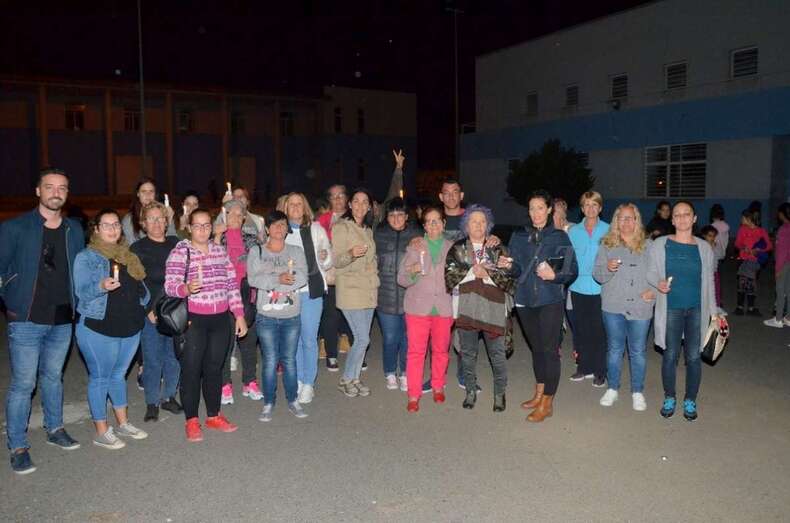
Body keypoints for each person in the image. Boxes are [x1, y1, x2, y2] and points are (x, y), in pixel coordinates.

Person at [0, 167, 83, 474]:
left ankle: (55, 429)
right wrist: (12, 301)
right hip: (26, 319)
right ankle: (18, 445)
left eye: (62, 188)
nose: (55, 192)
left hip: (62, 319)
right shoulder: (15, 228)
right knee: (24, 384)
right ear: (38, 191)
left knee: (52, 378)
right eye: (49, 187)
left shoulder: (74, 229)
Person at [164, 208, 248, 442]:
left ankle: (214, 415)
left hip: (220, 319)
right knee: (191, 370)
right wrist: (186, 288)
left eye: (206, 225)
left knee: (214, 369)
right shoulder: (181, 252)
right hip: (194, 320)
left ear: (212, 228)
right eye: (197, 225)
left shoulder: (220, 251)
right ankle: (191, 420)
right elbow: (170, 285)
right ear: (189, 228)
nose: (202, 230)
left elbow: (232, 284)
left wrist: (239, 314)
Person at [74, 209, 150, 448]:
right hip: (98, 327)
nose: (113, 229)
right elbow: (81, 292)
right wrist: (100, 285)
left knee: (118, 376)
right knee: (100, 377)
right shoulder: (86, 257)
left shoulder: (128, 256)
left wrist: (143, 303)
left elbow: (142, 289)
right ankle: (101, 430)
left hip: (129, 325)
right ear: (96, 229)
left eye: (116, 224)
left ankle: (123, 423)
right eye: (106, 225)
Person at [509, 191, 577, 422]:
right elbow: (516, 269)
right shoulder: (519, 235)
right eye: (531, 208)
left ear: (549, 210)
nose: (536, 213)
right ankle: (538, 393)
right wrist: (507, 266)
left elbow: (571, 270)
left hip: (550, 300)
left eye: (540, 208)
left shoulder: (559, 237)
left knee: (549, 351)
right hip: (525, 299)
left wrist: (554, 276)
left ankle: (547, 402)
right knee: (536, 348)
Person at [647, 201, 718, 421]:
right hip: (671, 308)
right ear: (672, 219)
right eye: (677, 215)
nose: (682, 218)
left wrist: (714, 312)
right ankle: (670, 397)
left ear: (694, 218)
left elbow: (709, 281)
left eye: (687, 214)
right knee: (670, 354)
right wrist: (659, 283)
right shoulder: (660, 244)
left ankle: (690, 399)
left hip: (697, 309)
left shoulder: (704, 247)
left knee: (694, 357)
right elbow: (650, 273)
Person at [445, 204, 519, 412]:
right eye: (473, 221)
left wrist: (488, 275)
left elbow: (511, 280)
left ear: (488, 225)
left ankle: (499, 394)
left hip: (493, 310)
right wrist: (471, 272)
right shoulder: (457, 248)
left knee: (497, 355)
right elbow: (449, 277)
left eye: (482, 221)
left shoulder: (498, 249)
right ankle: (469, 391)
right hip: (467, 309)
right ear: (466, 225)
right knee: (468, 354)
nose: (478, 225)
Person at [246, 210, 309, 421]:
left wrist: (280, 279)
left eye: (282, 224)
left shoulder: (296, 251)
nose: (279, 229)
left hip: (291, 314)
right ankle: (268, 402)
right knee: (270, 360)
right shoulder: (257, 251)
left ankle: (292, 399)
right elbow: (253, 279)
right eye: (274, 225)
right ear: (267, 229)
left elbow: (301, 276)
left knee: (289, 359)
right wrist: (278, 279)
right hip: (266, 315)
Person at [593, 203, 655, 411]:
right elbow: (598, 275)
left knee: (637, 351)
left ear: (637, 221)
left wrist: (653, 292)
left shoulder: (648, 245)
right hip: (613, 305)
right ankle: (612, 388)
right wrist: (608, 269)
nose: (626, 222)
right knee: (614, 349)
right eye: (622, 218)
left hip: (640, 307)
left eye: (630, 218)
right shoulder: (606, 244)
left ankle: (637, 391)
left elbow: (658, 275)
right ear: (616, 221)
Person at [397, 205, 454, 411]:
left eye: (437, 220)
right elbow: (401, 279)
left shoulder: (453, 248)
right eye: (429, 221)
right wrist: (412, 271)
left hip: (444, 308)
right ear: (424, 226)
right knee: (415, 352)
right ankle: (413, 393)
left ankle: (438, 385)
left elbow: (459, 278)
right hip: (418, 308)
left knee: (441, 351)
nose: (433, 224)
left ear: (443, 223)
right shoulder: (415, 247)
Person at [130, 202, 183, 421]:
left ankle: (169, 397)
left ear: (167, 220)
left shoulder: (177, 244)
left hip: (176, 310)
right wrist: (146, 309)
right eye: (151, 219)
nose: (157, 223)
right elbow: (134, 284)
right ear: (143, 223)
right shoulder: (137, 249)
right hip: (150, 313)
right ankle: (152, 402)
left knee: (174, 357)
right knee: (152, 360)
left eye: (161, 218)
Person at [279, 192, 333, 404]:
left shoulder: (316, 229)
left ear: (305, 207)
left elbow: (328, 260)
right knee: (295, 339)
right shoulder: (280, 232)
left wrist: (324, 256)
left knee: (309, 338)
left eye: (299, 204)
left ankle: (309, 383)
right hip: (289, 293)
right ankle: (300, 379)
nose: (295, 207)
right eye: (291, 204)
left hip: (312, 291)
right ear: (285, 208)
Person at [213, 199, 263, 405]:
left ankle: (249, 381)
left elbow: (259, 265)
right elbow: (212, 262)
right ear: (223, 216)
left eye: (238, 214)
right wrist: (216, 235)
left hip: (246, 293)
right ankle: (224, 384)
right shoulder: (215, 238)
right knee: (225, 343)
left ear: (244, 218)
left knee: (249, 340)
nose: (234, 217)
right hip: (223, 295)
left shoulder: (252, 239)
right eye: (230, 213)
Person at [332, 188, 379, 397]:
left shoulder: (368, 229)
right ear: (350, 204)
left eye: (365, 202)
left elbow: (372, 259)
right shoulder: (342, 227)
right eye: (356, 201)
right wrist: (350, 254)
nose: (360, 205)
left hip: (368, 290)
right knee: (362, 339)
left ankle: (355, 378)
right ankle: (346, 379)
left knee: (363, 337)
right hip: (351, 290)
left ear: (369, 206)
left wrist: (373, 269)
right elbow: (337, 261)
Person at [375, 197, 420, 392]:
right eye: (392, 215)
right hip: (385, 295)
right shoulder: (379, 234)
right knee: (391, 337)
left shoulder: (417, 235)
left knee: (408, 338)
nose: (396, 219)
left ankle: (405, 373)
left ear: (406, 216)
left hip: (411, 296)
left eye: (400, 214)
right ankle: (390, 372)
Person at [567, 191, 609, 386]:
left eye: (595, 205)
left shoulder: (609, 230)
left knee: (599, 331)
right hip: (578, 287)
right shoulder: (574, 231)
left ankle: (600, 370)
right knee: (581, 330)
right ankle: (584, 367)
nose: (590, 209)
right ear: (582, 208)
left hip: (602, 288)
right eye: (586, 205)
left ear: (600, 208)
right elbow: (569, 260)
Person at [317, 184, 354, 371]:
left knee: (352, 315)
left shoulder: (356, 216)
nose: (338, 199)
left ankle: (356, 354)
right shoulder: (323, 220)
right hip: (331, 275)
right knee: (330, 315)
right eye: (333, 196)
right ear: (329, 200)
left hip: (352, 275)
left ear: (347, 198)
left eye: (341, 195)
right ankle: (331, 354)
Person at [734, 209, 772, 316]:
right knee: (743, 282)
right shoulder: (742, 229)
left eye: (743, 218)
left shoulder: (761, 231)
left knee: (749, 283)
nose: (741, 220)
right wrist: (743, 247)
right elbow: (737, 243)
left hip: (754, 261)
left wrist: (759, 250)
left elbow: (769, 246)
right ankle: (742, 307)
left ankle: (748, 308)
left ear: (748, 219)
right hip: (743, 260)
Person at [122, 177, 176, 244]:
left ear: (155, 194)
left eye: (151, 191)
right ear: (138, 194)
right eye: (143, 191)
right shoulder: (129, 219)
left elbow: (174, 243)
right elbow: (132, 246)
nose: (148, 195)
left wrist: (169, 221)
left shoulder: (165, 213)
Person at [764, 203, 790, 328]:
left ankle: (778, 319)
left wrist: (777, 269)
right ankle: (788, 317)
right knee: (788, 290)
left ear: (782, 214)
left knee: (780, 290)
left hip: (784, 263)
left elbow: (781, 251)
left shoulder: (784, 229)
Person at [709, 204, 729, 307]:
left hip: (713, 255)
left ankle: (715, 301)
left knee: (713, 280)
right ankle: (719, 300)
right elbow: (726, 241)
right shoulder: (726, 226)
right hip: (721, 254)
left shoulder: (712, 227)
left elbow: (712, 242)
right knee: (718, 279)